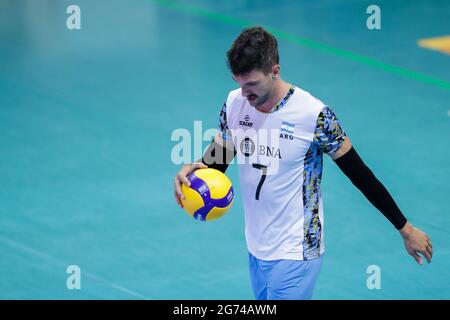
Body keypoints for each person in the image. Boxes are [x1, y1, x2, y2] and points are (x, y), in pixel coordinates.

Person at [173, 26, 433, 300]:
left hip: (297, 249)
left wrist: (405, 228)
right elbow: (219, 160)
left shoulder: (313, 115)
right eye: (239, 84)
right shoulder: (235, 103)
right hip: (257, 246)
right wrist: (194, 173)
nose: (244, 93)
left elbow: (360, 174)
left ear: (275, 71)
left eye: (251, 85)